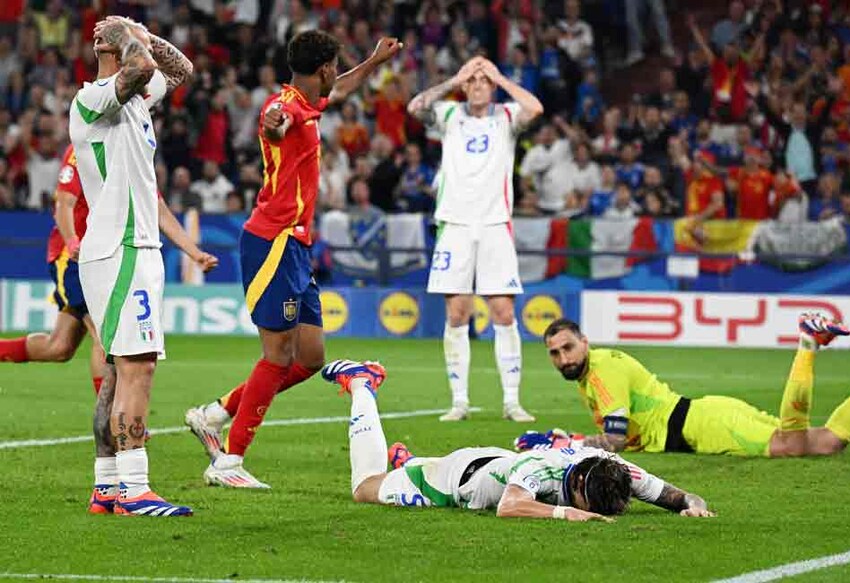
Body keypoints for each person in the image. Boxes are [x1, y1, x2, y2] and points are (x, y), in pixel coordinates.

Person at [182, 32, 403, 488]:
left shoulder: (310, 99)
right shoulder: (281, 107)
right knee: (277, 355)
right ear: (322, 68)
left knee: (310, 357)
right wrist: (274, 128)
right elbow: (273, 126)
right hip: (273, 242)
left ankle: (216, 413)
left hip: (296, 245)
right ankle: (229, 462)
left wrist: (373, 61)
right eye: (333, 67)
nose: (334, 77)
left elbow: (339, 88)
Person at [68, 15, 195, 517]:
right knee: (138, 368)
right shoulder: (92, 99)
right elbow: (143, 64)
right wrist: (127, 35)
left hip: (131, 247)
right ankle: (135, 489)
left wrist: (138, 31)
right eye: (128, 39)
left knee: (120, 374)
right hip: (122, 247)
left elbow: (178, 68)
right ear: (106, 45)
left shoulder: (136, 101)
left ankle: (107, 486)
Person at [318, 359, 713, 520]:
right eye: (589, 503)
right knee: (364, 488)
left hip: (492, 462)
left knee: (402, 471)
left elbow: (676, 496)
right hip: (452, 481)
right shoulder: (539, 468)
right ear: (576, 482)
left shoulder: (617, 472)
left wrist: (693, 504)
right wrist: (568, 513)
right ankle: (361, 384)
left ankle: (408, 461)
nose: (597, 510)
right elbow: (510, 507)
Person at [521, 315, 850, 457]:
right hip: (702, 414)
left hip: (697, 426)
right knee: (824, 442)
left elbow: (614, 439)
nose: (563, 358)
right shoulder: (591, 372)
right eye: (555, 354)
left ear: (585, 342)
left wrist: (564, 446)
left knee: (789, 445)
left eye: (568, 348)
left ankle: (807, 342)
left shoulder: (601, 369)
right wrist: (568, 437)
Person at [0, 146, 217, 403]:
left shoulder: (134, 149)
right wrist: (71, 242)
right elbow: (63, 203)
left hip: (105, 257)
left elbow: (157, 207)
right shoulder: (84, 145)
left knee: (59, 347)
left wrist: (194, 252)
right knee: (105, 338)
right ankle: (111, 425)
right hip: (73, 258)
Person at [407, 56, 543, 422]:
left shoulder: (507, 116)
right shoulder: (450, 116)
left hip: (496, 223)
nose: (479, 84)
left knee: (503, 311)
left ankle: (512, 401)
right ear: (465, 86)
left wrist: (500, 76)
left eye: (485, 80)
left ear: (494, 85)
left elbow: (536, 107)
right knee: (458, 312)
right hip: (455, 224)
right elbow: (415, 106)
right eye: (474, 80)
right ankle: (459, 402)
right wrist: (454, 77)